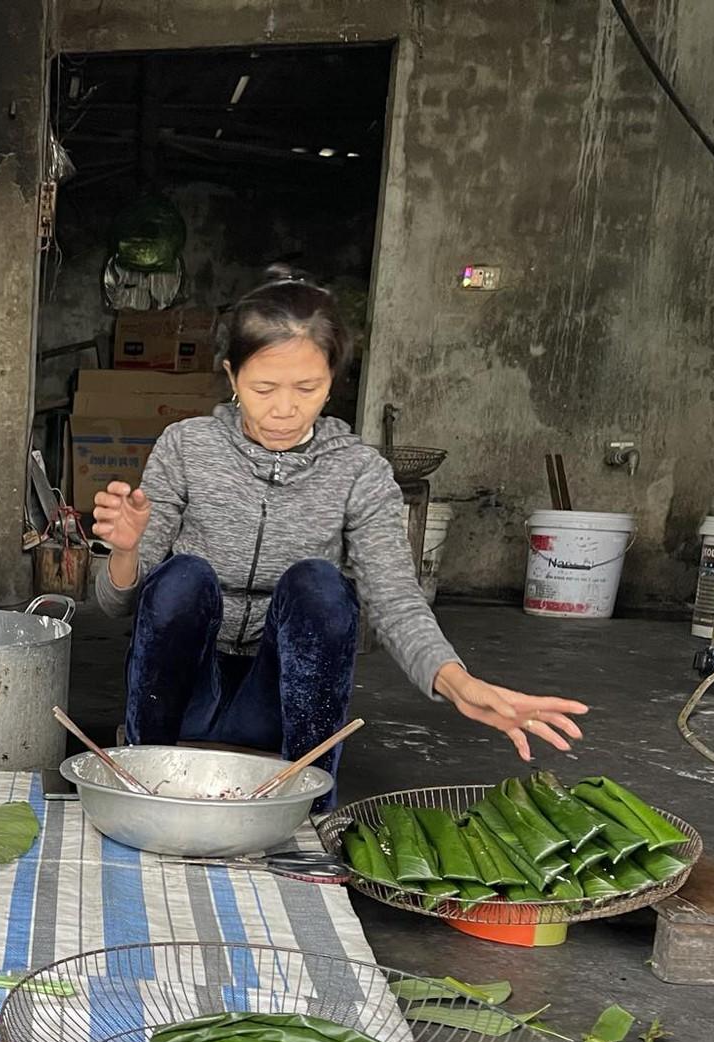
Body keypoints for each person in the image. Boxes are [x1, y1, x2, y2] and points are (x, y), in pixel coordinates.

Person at [90, 267, 585, 794]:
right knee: (182, 577)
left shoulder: (358, 471)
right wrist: (125, 552)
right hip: (183, 695)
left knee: (320, 586)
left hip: (280, 703)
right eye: (263, 387)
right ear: (233, 378)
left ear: (333, 380)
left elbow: (395, 599)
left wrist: (458, 682)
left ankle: (308, 799)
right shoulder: (186, 447)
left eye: (308, 387)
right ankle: (140, 777)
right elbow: (118, 605)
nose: (284, 409)